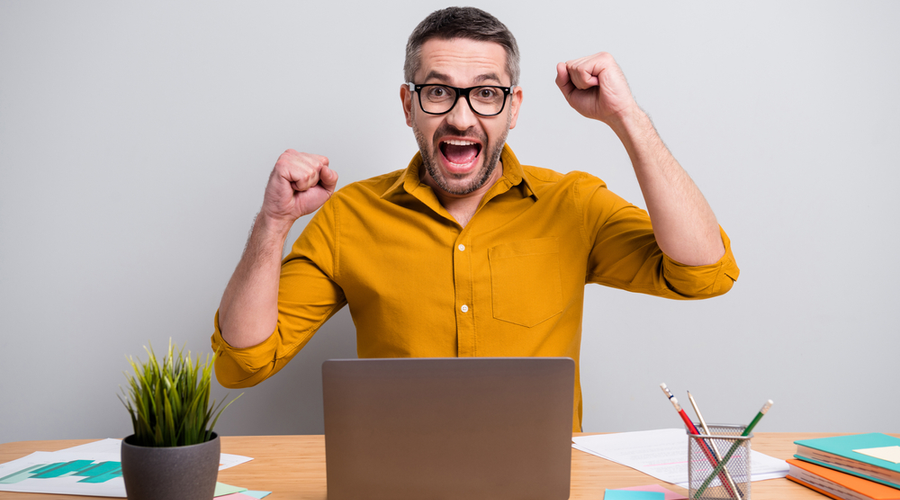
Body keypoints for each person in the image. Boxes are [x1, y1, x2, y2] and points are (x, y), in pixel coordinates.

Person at [211, 7, 739, 431]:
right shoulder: (350, 216)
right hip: (394, 487)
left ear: (513, 107)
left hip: (540, 487)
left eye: (486, 93)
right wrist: (273, 222)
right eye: (438, 91)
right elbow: (244, 362)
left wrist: (628, 119)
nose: (462, 117)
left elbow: (703, 272)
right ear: (408, 104)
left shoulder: (573, 204)